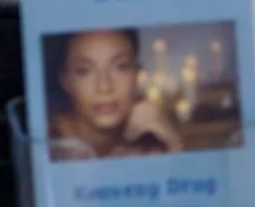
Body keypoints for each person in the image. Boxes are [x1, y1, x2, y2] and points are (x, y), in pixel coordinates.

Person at [47, 29, 181, 159]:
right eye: (84, 71)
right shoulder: (47, 147)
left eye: (120, 67)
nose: (104, 86)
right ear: (65, 80)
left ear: (136, 74)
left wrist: (173, 150)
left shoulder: (149, 137)